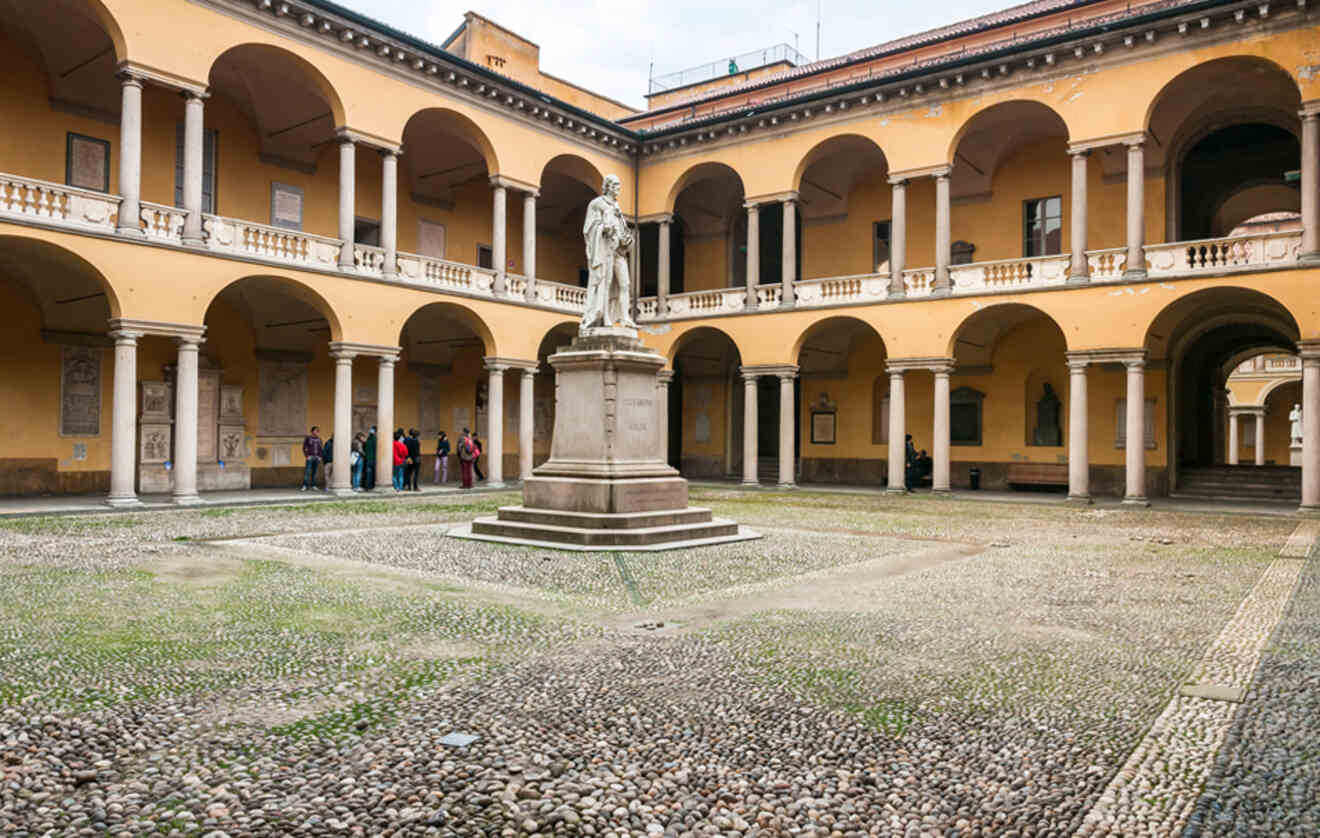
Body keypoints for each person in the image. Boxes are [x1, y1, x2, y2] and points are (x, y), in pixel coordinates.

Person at [300, 426, 323, 491]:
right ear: (312, 431)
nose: (317, 432)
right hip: (310, 457)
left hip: (316, 458)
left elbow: (321, 449)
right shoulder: (308, 438)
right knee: (307, 471)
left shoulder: (319, 439)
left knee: (314, 472)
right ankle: (305, 485)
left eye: (318, 431)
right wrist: (307, 456)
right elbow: (304, 447)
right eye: (316, 430)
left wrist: (320, 457)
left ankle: (313, 485)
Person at [363, 426, 377, 491]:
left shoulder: (368, 439)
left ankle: (367, 486)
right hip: (373, 459)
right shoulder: (375, 439)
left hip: (368, 459)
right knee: (373, 474)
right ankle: (371, 486)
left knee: (368, 474)